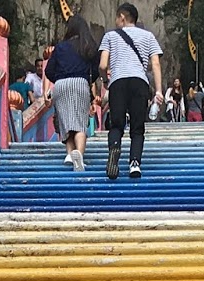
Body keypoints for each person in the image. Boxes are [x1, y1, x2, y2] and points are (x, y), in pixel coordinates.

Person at [96, 2, 164, 180]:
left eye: (117, 18)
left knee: (116, 123)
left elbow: (103, 65)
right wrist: (158, 91)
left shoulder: (110, 36)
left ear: (122, 17)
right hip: (139, 82)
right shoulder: (148, 36)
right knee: (137, 127)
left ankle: (115, 148)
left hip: (117, 82)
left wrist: (105, 80)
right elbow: (155, 64)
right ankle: (135, 164)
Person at [46, 13, 99, 171]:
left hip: (61, 85)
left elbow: (49, 70)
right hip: (80, 83)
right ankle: (79, 156)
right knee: (80, 123)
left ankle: (69, 154)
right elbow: (95, 70)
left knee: (66, 122)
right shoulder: (88, 46)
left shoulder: (60, 47)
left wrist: (59, 78)